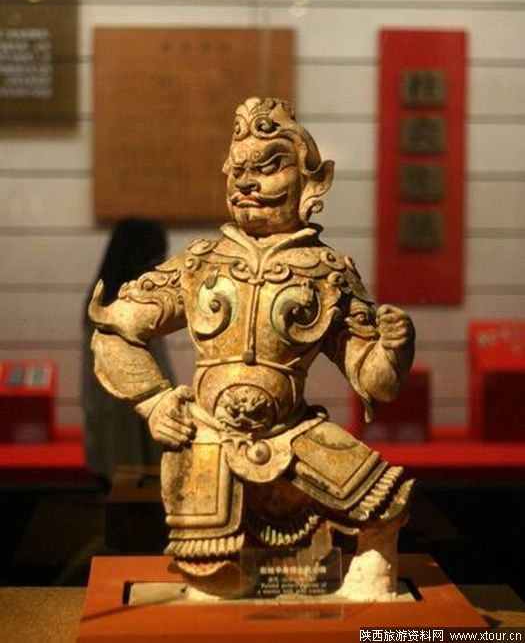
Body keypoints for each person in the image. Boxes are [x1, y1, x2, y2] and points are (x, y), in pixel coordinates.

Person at [88, 98, 415, 600]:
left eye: (267, 168)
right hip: (207, 434)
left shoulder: (327, 273)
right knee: (211, 581)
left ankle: (368, 570)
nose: (247, 182)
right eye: (238, 170)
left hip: (293, 431)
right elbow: (115, 332)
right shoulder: (201, 263)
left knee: (382, 502)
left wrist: (393, 347)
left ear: (313, 182)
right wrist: (155, 401)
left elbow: (374, 380)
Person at [82, 218, 174, 487]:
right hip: (122, 414)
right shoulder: (116, 306)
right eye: (155, 258)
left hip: (127, 413)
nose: (159, 267)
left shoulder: (130, 300)